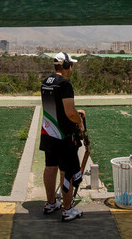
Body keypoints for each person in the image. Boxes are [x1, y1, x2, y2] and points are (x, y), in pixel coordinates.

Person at [40, 52, 85, 221]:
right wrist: (78, 121)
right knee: (66, 170)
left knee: (50, 166)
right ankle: (67, 209)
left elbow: (56, 107)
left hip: (48, 131)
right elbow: (69, 112)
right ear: (66, 66)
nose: (71, 67)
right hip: (63, 134)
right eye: (71, 64)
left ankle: (51, 203)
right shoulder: (65, 84)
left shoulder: (46, 82)